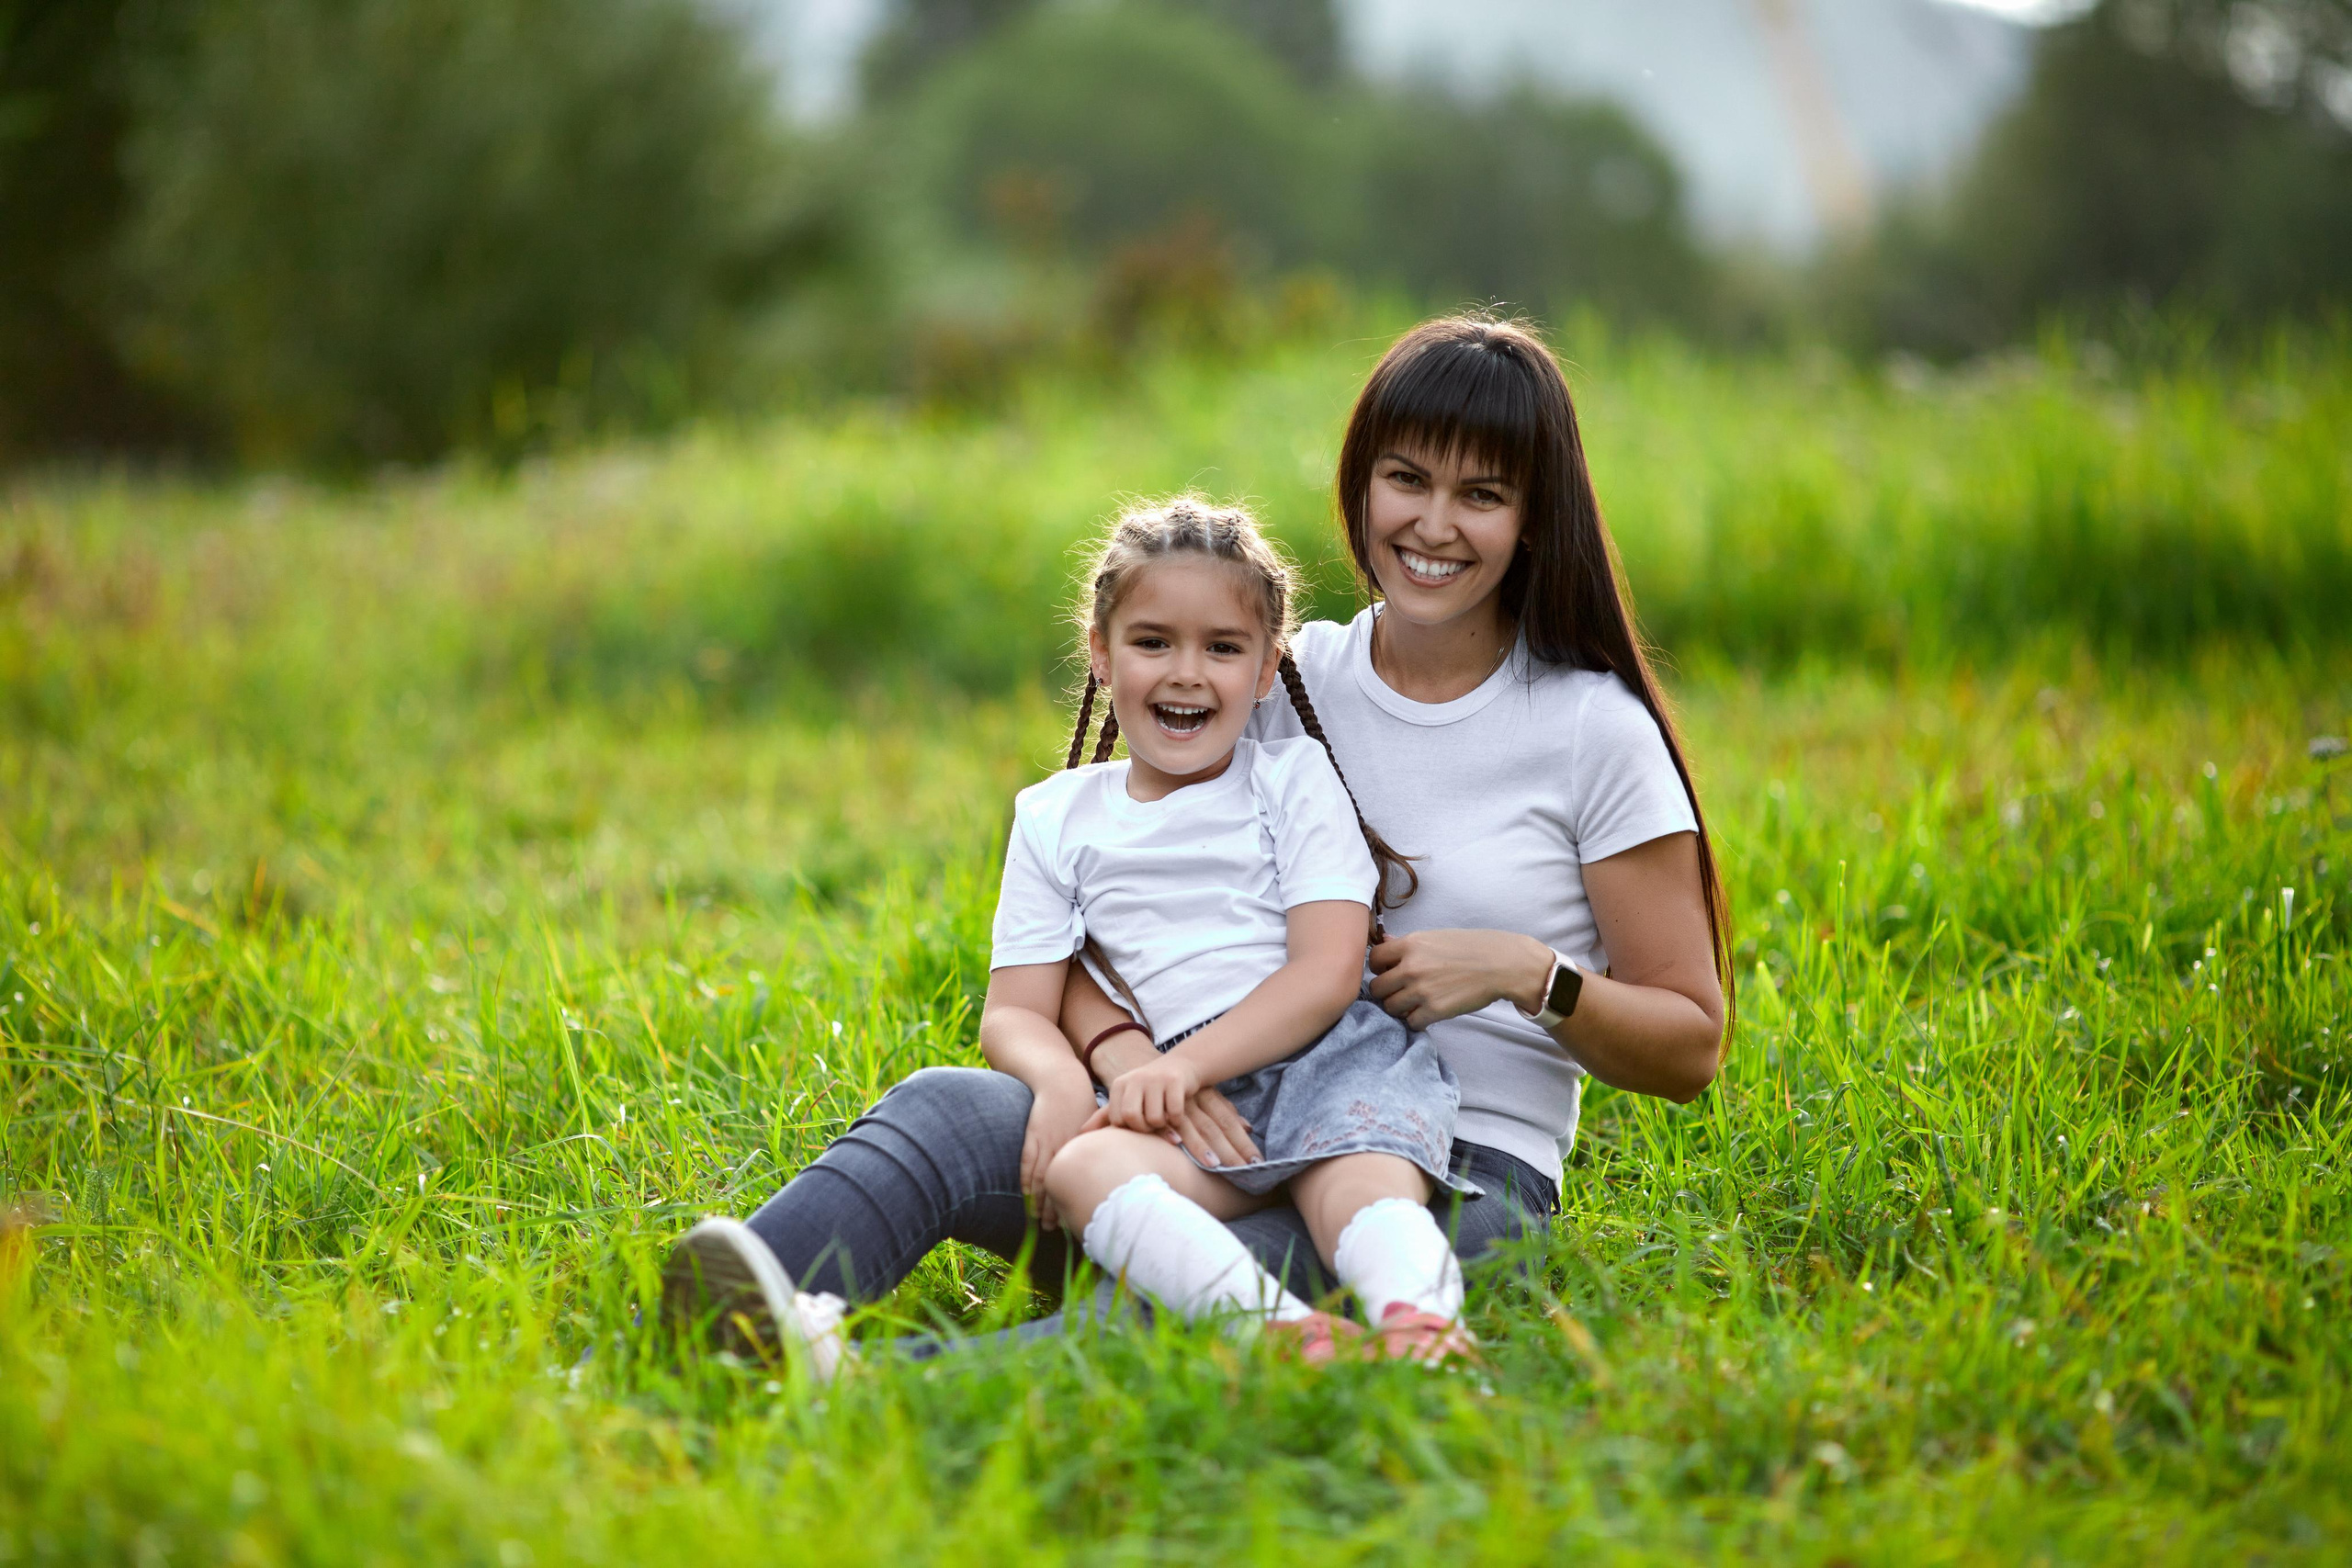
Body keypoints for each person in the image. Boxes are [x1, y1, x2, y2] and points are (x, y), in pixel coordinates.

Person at [659, 312, 1730, 1378]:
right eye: (1407, 479)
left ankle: (860, 1392)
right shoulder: (1277, 676)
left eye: (1482, 495)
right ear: (1360, 486)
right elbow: (1089, 921)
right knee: (947, 1110)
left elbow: (1688, 1045)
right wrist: (1138, 1063)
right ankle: (695, 1344)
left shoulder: (1590, 728)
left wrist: (1524, 973)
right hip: (1217, 1112)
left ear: (1533, 519)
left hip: (1458, 1172)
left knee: (1208, 1306)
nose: (1434, 524)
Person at [1000, 497, 1476, 1364]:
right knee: (1081, 1169)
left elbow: (1327, 971)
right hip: (1182, 1108)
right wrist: (1061, 1078)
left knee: (1358, 1196)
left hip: (1327, 1061)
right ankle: (1281, 1335)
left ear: (1267, 671)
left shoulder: (1291, 778)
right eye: (1153, 642)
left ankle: (1429, 1339)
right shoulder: (1053, 815)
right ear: (1101, 656)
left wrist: (1182, 1067)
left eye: (1223, 647)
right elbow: (1017, 1009)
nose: (1188, 672)